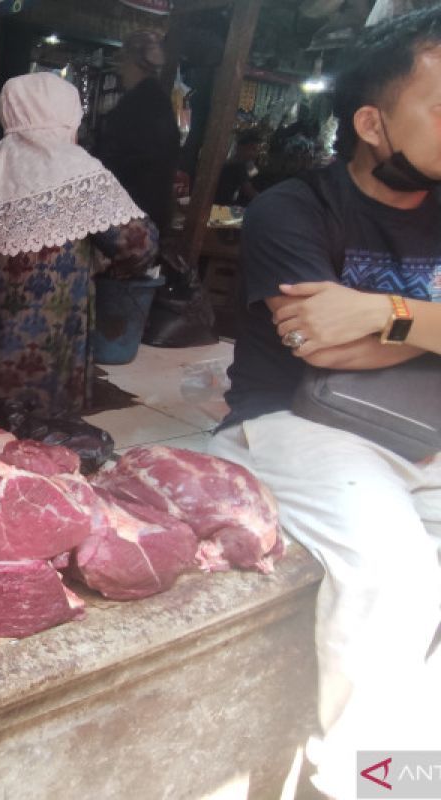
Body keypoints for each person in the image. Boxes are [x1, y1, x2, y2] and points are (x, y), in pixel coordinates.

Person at [208, 8, 441, 797]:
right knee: (393, 575)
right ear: (373, 123)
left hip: (422, 425)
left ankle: (420, 760)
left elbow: (354, 331)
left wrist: (386, 312)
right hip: (295, 421)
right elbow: (321, 350)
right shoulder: (293, 208)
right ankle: (368, 782)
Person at [0, 72, 158, 418]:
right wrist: (106, 263)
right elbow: (138, 244)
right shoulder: (75, 166)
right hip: (45, 341)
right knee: (39, 433)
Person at [95, 30, 181, 235]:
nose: (121, 71)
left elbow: (112, 158)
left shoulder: (137, 104)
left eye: (124, 63)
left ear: (135, 63)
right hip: (153, 212)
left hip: (130, 216)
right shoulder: (159, 102)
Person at [213, 129, 262, 207]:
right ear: (240, 148)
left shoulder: (238, 162)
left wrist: (251, 164)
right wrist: (265, 200)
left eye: (256, 150)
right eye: (252, 149)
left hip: (224, 204)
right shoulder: (237, 166)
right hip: (221, 205)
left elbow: (255, 179)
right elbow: (249, 192)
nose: (255, 153)